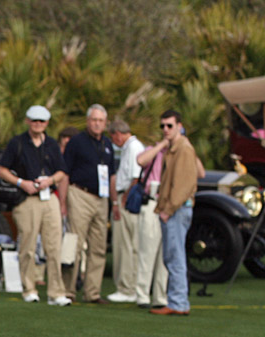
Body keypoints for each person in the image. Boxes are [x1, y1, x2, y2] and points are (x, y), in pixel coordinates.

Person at [0, 104, 70, 306]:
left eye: (42, 122)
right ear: (28, 121)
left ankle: (56, 292)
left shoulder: (52, 144)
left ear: (46, 123)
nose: (38, 125)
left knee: (54, 246)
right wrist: (22, 183)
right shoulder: (17, 143)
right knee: (27, 246)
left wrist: (50, 181)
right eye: (35, 121)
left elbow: (62, 171)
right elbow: (3, 170)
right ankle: (29, 288)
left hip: (49, 197)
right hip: (26, 199)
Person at [145, 110, 199, 316]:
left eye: (169, 125)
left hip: (177, 209)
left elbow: (184, 185)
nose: (165, 130)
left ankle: (178, 302)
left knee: (175, 257)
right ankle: (178, 301)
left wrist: (168, 209)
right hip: (174, 208)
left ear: (179, 125)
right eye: (163, 126)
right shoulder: (174, 148)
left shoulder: (184, 149)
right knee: (172, 256)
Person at [62, 104, 117, 303]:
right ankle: (68, 291)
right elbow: (65, 173)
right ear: (88, 121)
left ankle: (92, 293)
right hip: (80, 194)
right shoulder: (76, 142)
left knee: (99, 247)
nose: (97, 124)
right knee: (75, 244)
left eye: (101, 121)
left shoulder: (108, 144)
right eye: (94, 120)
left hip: (101, 199)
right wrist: (63, 201)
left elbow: (111, 175)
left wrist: (114, 202)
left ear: (105, 123)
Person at [106, 119, 145, 303]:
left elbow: (135, 177)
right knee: (129, 245)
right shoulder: (131, 147)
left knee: (126, 245)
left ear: (118, 134)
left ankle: (127, 288)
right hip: (126, 198)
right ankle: (130, 287)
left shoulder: (133, 148)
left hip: (127, 199)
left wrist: (122, 201)